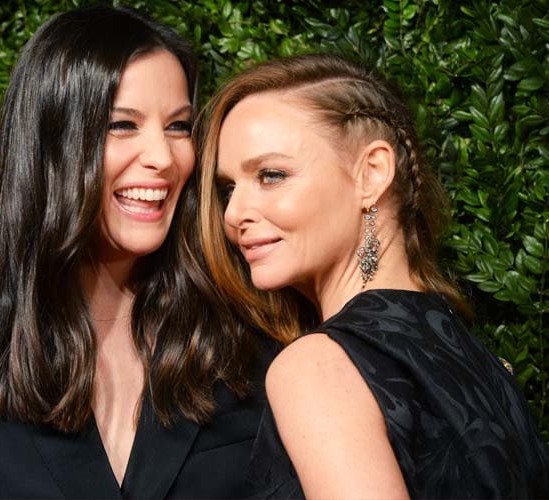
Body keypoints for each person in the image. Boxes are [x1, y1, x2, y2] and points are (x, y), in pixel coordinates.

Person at [0, 6, 278, 499]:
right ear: (50, 142)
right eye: (122, 125)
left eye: (178, 126)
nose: (163, 156)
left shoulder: (242, 332)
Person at [197, 53, 549, 498]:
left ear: (372, 173)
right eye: (229, 188)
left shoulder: (317, 369)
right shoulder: (484, 363)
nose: (233, 214)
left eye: (271, 175)